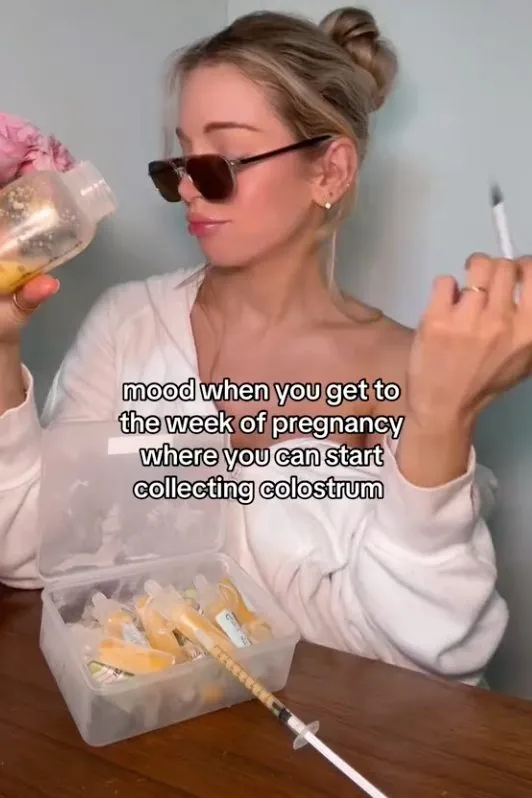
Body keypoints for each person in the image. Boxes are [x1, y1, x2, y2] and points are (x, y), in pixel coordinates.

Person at [0, 7, 529, 686]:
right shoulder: (130, 324)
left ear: (330, 171)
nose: (188, 187)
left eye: (220, 161)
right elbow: (32, 553)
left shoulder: (417, 371)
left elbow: (433, 656)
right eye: (178, 161)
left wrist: (439, 420)